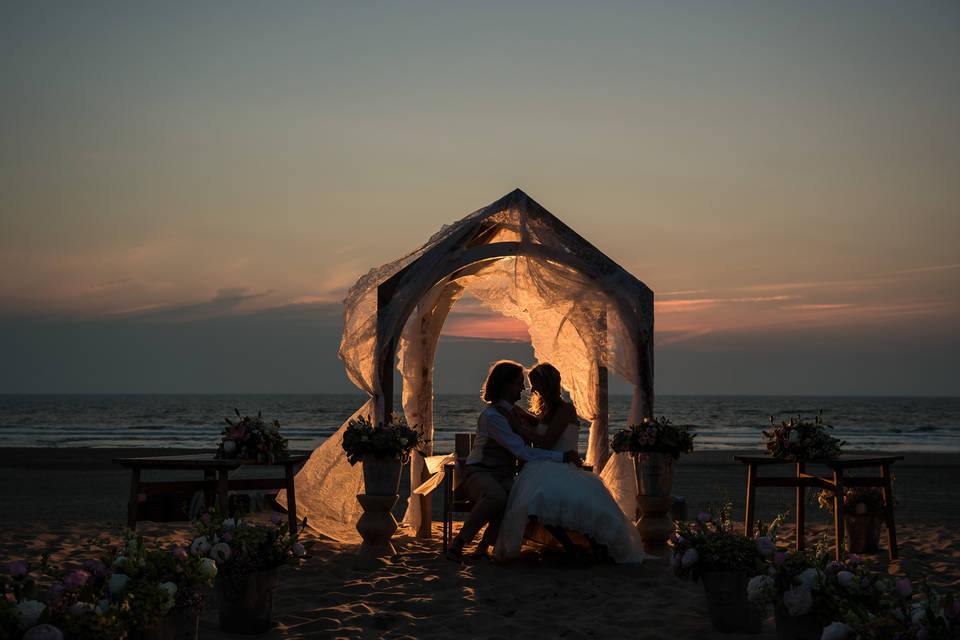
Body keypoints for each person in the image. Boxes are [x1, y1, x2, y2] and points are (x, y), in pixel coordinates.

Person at [492, 363, 645, 563]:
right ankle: (569, 545)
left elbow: (545, 442)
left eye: (535, 384)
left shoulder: (565, 409)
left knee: (542, 497)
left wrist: (515, 424)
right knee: (535, 499)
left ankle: (592, 545)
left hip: (561, 464)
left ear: (548, 385)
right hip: (547, 464)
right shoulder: (548, 411)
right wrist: (520, 414)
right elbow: (542, 425)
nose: (532, 390)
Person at [445, 360, 579, 562]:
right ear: (506, 385)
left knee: (516, 497)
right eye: (519, 383)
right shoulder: (494, 417)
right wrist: (562, 457)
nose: (525, 388)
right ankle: (459, 543)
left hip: (504, 474)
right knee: (497, 497)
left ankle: (482, 548)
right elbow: (522, 451)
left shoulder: (513, 413)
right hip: (480, 472)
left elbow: (542, 430)